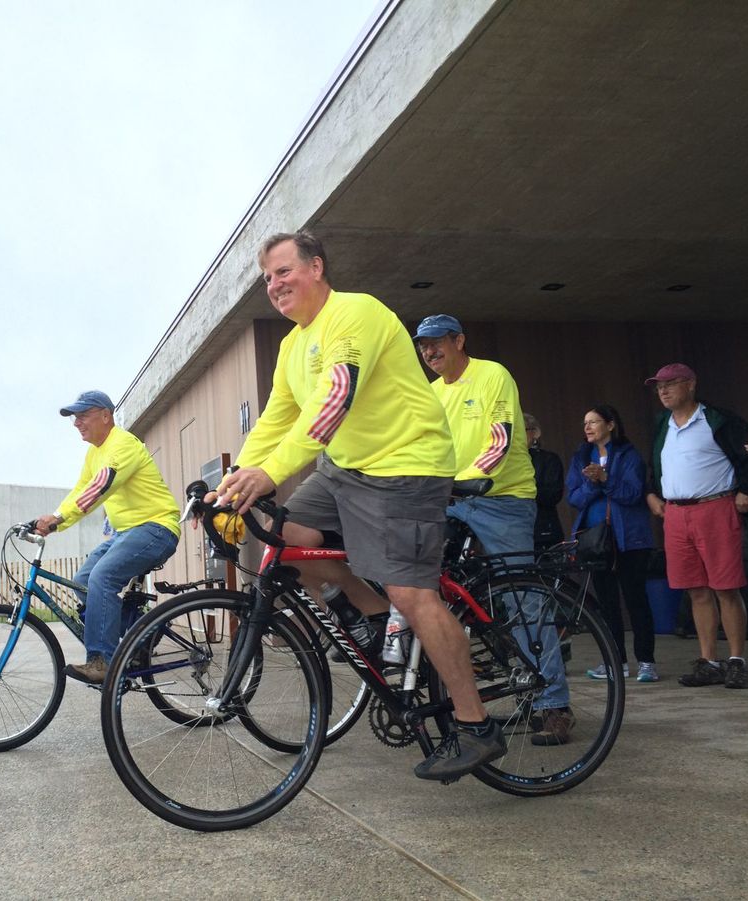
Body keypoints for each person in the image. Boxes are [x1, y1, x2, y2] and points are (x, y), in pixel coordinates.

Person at [216, 231, 505, 782]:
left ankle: (476, 725)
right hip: (346, 468)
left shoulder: (357, 315)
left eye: (284, 271)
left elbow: (334, 403)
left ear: (317, 267)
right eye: (267, 278)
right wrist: (232, 481)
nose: (274, 285)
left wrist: (271, 472)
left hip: (406, 465)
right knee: (290, 536)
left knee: (411, 591)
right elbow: (275, 421)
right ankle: (369, 617)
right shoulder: (292, 345)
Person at [415, 314, 574, 746]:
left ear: (459, 340)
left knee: (522, 598)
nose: (429, 352)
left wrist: (467, 482)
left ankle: (553, 705)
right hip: (452, 501)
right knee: (424, 587)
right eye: (423, 346)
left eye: (437, 343)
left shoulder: (492, 375)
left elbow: (501, 439)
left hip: (502, 500)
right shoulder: (430, 393)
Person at [33, 391, 180, 685]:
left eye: (83, 415)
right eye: (75, 417)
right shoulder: (93, 453)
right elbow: (80, 490)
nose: (77, 423)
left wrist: (58, 519)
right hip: (127, 533)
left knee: (102, 577)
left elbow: (101, 486)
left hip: (157, 528)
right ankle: (142, 633)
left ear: (105, 416)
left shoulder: (123, 443)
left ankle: (102, 660)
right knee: (83, 581)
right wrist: (54, 520)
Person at [644, 364, 748, 689]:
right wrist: (651, 493)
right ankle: (708, 660)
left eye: (670, 384)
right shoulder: (662, 423)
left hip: (715, 507)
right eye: (658, 387)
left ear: (691, 384)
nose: (663, 391)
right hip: (676, 514)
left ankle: (736, 660)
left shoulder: (718, 420)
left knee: (726, 587)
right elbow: (655, 462)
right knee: (696, 590)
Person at [567, 405, 657, 682]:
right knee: (606, 603)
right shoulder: (582, 456)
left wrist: (605, 478)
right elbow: (574, 497)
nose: (588, 427)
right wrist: (594, 484)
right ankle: (615, 662)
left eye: (594, 422)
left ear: (610, 424)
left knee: (636, 599)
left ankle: (646, 663)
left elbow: (632, 494)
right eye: (585, 423)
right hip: (596, 541)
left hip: (629, 539)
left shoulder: (629, 455)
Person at [524, 413, 564, 550]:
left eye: (521, 430)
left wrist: (524, 489)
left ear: (535, 433)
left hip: (544, 531)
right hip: (512, 531)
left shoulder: (548, 459)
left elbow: (553, 494)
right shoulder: (505, 461)